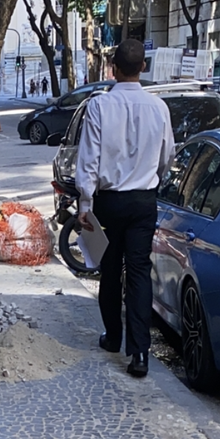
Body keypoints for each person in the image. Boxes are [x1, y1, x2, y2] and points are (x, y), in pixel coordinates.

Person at [75, 39, 175, 378]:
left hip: (110, 200)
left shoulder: (100, 106)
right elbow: (167, 156)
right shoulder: (159, 108)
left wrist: (85, 203)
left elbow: (88, 159)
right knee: (138, 273)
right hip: (143, 201)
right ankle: (140, 354)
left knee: (110, 269)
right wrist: (150, 180)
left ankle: (112, 337)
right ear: (143, 67)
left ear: (113, 69)